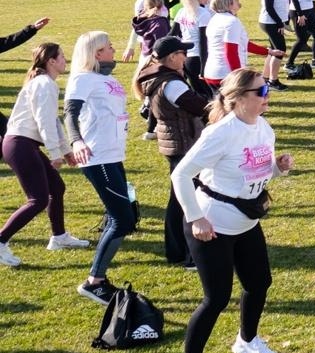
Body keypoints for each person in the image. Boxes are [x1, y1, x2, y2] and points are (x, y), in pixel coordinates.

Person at [168, 69, 292, 353]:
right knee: (217, 297)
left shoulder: (263, 128)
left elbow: (254, 171)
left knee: (259, 282)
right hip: (212, 223)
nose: (267, 94)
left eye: (266, 88)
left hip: (245, 221)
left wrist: (276, 168)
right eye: (260, 90)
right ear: (237, 99)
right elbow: (180, 175)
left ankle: (247, 340)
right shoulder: (220, 133)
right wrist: (196, 218)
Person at [0, 44, 88, 266]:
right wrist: (54, 153)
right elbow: (44, 121)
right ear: (51, 61)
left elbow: (53, 122)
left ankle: (58, 237)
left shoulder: (45, 83)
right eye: (62, 56)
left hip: (24, 144)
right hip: (20, 144)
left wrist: (66, 151)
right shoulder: (44, 83)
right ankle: (1, 241)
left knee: (56, 188)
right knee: (37, 199)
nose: (65, 60)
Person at [64, 31, 133, 306]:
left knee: (121, 216)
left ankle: (98, 279)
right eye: (108, 46)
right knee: (122, 220)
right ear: (96, 53)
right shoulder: (82, 78)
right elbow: (70, 113)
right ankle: (94, 282)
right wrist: (76, 141)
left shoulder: (108, 78)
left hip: (114, 155)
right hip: (97, 156)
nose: (114, 49)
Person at [138, 35, 212, 269]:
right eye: (182, 53)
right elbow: (200, 107)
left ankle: (176, 250)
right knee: (187, 199)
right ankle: (191, 253)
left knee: (178, 199)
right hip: (183, 144)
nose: (186, 56)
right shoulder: (172, 84)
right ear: (172, 57)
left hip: (176, 143)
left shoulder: (161, 77)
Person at [204, 0, 285, 89]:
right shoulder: (232, 22)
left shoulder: (215, 19)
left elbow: (244, 44)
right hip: (226, 75)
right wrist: (239, 77)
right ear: (230, 4)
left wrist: (269, 52)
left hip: (212, 73)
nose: (238, 1)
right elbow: (231, 52)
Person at [174, 0, 213, 94]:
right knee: (208, 94)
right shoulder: (203, 13)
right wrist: (203, 67)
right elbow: (203, 42)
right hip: (198, 57)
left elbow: (173, 34)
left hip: (185, 57)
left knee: (196, 92)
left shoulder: (182, 11)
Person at [258, 0, 290, 90]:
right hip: (270, 22)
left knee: (273, 51)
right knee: (280, 50)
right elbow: (269, 8)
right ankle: (273, 80)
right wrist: (279, 23)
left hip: (274, 22)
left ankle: (265, 77)